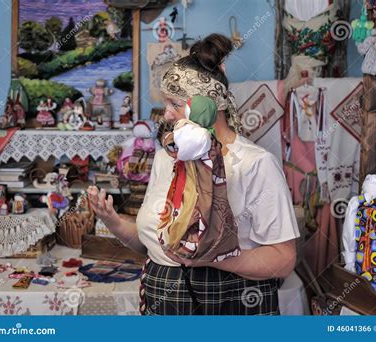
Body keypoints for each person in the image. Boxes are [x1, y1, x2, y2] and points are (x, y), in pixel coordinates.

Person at [88, 33, 300, 315]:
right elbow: (154, 245)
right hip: (163, 305)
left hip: (229, 303)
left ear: (208, 105)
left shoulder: (256, 164)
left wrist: (212, 258)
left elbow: (282, 260)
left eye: (176, 104)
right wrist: (112, 220)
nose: (166, 115)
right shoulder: (166, 159)